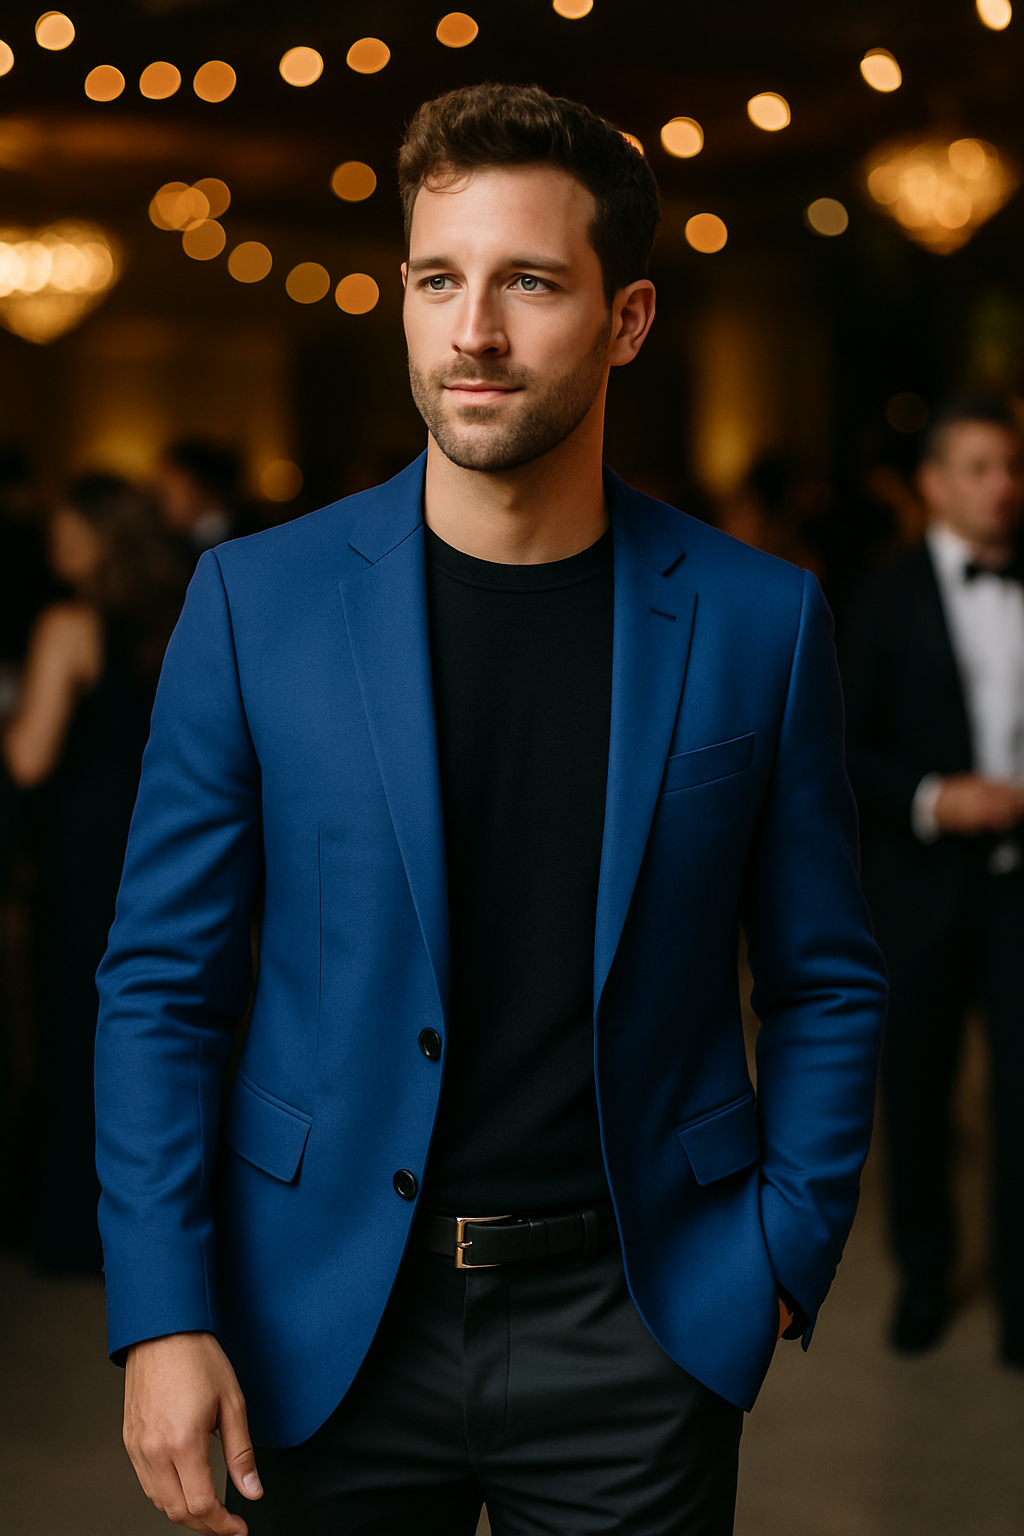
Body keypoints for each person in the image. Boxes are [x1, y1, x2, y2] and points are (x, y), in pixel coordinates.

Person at [96, 84, 887, 1536]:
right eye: (438, 280)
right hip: (319, 1318)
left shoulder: (759, 623)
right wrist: (161, 1313)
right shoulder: (252, 608)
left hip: (637, 1329)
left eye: (529, 281)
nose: (473, 332)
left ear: (628, 320)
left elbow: (826, 978)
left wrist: (778, 1253)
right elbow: (161, 986)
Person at [841, 396, 1024, 1363]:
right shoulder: (879, 598)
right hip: (920, 891)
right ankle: (923, 1275)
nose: (1003, 487)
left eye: (1011, 468)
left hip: (1018, 889)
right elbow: (841, 746)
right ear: (933, 484)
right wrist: (929, 796)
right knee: (916, 1092)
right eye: (981, 468)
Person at [3, 474, 187, 1272]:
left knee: (75, 1036)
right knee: (149, 1035)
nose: (55, 538)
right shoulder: (171, 617)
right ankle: (145, 1229)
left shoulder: (68, 624)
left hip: (81, 860)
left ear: (101, 534)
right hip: (153, 848)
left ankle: (70, 1227)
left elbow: (29, 756)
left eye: (68, 524)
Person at [157, 438, 247, 569]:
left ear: (199, 486)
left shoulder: (250, 537)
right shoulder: (170, 547)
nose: (163, 502)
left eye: (170, 491)